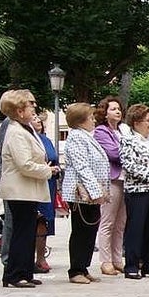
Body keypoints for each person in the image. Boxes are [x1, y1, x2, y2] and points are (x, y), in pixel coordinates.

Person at [0, 89, 56, 288]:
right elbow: (25, 164)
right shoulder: (15, 131)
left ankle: (25, 271)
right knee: (21, 232)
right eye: (30, 105)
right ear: (20, 111)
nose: (34, 108)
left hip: (27, 190)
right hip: (19, 190)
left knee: (28, 231)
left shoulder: (25, 129)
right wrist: (47, 170)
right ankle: (14, 274)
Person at [60, 103, 110, 284]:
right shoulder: (75, 138)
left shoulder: (87, 136)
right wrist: (96, 191)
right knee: (81, 230)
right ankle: (75, 270)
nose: (94, 120)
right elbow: (82, 167)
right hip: (81, 193)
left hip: (92, 194)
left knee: (90, 230)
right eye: (90, 117)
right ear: (81, 121)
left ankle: (84, 266)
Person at [119, 104, 149, 280]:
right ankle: (132, 265)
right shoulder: (128, 140)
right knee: (136, 228)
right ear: (137, 122)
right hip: (138, 190)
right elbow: (129, 165)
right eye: (148, 120)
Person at [93, 97, 127, 276]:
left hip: (125, 179)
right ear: (104, 112)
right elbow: (113, 153)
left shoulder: (123, 130)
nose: (117, 111)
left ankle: (117, 258)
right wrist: (129, 151)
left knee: (121, 222)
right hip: (111, 179)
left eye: (119, 108)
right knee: (107, 221)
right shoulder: (101, 131)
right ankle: (105, 261)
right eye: (113, 109)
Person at [30, 112, 60, 274]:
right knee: (35, 219)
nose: (37, 120)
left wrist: (56, 169)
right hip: (34, 182)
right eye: (33, 117)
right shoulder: (28, 138)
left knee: (45, 221)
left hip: (49, 183)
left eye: (38, 118)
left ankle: (41, 257)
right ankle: (30, 258)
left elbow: (54, 158)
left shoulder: (46, 140)